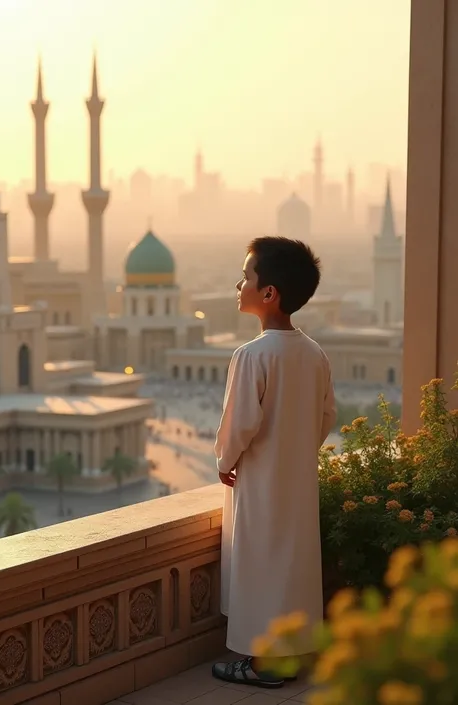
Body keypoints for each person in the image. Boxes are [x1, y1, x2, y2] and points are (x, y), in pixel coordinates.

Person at [212, 236, 336, 689]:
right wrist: (296, 448)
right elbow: (326, 417)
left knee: (260, 565)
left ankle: (261, 666)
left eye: (247, 277)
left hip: (261, 482)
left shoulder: (251, 355)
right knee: (291, 563)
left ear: (269, 294)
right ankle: (289, 654)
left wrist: (225, 460)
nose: (239, 284)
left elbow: (237, 426)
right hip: (298, 480)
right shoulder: (314, 353)